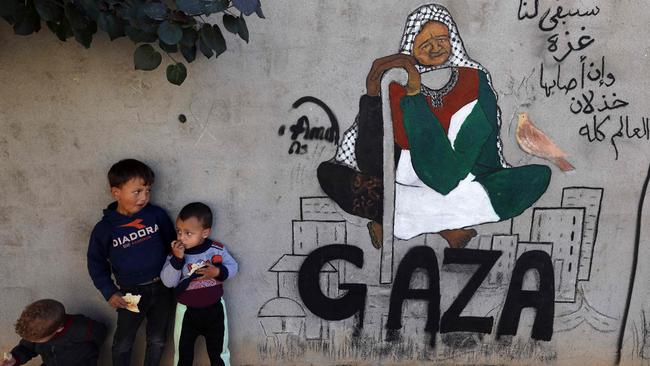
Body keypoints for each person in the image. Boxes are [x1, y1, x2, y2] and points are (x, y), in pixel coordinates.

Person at [318, 4, 551, 249]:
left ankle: (396, 220)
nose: (436, 47)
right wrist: (373, 92)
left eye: (441, 39)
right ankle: (443, 224)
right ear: (411, 45)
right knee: (329, 174)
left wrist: (415, 95)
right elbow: (370, 159)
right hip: (405, 177)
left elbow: (445, 178)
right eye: (426, 43)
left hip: (466, 178)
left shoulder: (474, 82)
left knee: (536, 177)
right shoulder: (395, 84)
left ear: (452, 41)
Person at [87, 159, 176, 366]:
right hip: (130, 293)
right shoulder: (105, 229)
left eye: (148, 190)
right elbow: (96, 263)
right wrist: (109, 291)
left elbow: (172, 247)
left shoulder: (156, 216)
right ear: (116, 192)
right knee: (123, 342)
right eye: (137, 191)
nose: (144, 197)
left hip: (163, 288)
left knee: (157, 339)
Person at [160, 202, 238, 366]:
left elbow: (233, 267)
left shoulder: (216, 250)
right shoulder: (176, 253)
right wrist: (177, 259)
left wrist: (217, 272)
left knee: (219, 353)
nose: (181, 237)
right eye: (179, 231)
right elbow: (168, 282)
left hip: (215, 309)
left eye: (188, 233)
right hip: (187, 312)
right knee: (183, 354)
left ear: (205, 232)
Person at [1, 299, 107, 366]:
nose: (33, 342)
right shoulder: (35, 332)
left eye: (38, 341)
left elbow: (100, 332)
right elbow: (26, 348)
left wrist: (90, 353)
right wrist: (15, 358)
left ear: (59, 329)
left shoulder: (81, 328)